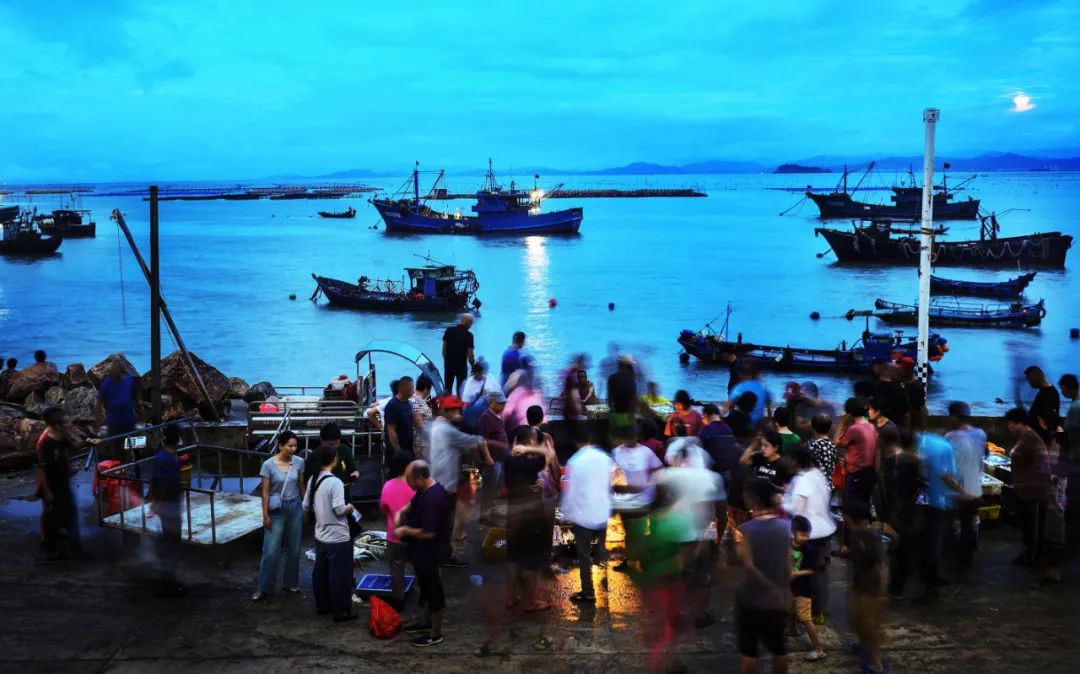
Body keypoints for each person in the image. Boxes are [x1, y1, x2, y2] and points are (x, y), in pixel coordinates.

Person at [727, 477, 791, 674]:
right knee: (779, 649)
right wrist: (784, 590)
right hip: (778, 602)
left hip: (751, 601)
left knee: (749, 653)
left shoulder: (745, 531)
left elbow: (747, 566)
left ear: (754, 499)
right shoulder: (786, 527)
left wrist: (730, 539)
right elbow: (788, 565)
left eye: (747, 495)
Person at [395, 460, 454, 647]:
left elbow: (429, 532)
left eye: (410, 479)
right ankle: (425, 622)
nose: (408, 483)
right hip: (421, 553)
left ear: (420, 478)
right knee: (426, 590)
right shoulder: (425, 491)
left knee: (434, 591)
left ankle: (435, 634)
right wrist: (402, 511)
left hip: (431, 552)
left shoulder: (432, 499)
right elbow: (413, 503)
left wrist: (405, 530)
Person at [428, 395, 489, 567]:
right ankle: (444, 557)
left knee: (443, 523)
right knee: (445, 524)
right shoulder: (445, 430)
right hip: (445, 485)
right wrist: (480, 440)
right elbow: (469, 440)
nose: (461, 412)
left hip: (442, 481)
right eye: (457, 410)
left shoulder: (439, 425)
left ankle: (441, 554)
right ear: (447, 411)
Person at [503, 426, 556, 612]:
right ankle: (530, 602)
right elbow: (548, 454)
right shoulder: (530, 461)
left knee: (513, 557)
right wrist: (530, 449)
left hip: (513, 515)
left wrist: (536, 483)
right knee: (532, 560)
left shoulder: (509, 460)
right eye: (535, 440)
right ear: (529, 443)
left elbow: (522, 481)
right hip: (531, 517)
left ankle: (510, 598)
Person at [561, 425, 615, 603]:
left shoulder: (575, 462)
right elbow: (612, 479)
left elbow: (570, 490)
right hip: (601, 510)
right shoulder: (603, 457)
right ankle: (605, 580)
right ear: (590, 439)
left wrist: (567, 512)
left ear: (575, 442)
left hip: (584, 514)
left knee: (584, 554)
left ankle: (588, 591)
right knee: (601, 549)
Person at [305, 443, 357, 622]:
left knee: (321, 572)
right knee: (339, 575)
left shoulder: (314, 479)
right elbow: (338, 509)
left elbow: (306, 505)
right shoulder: (335, 482)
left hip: (321, 535)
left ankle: (323, 605)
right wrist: (349, 508)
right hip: (338, 537)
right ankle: (341, 611)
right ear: (334, 460)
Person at [784, 446, 836, 625]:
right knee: (820, 571)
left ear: (795, 461)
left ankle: (810, 612)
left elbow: (795, 509)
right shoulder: (817, 474)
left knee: (807, 574)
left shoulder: (802, 480)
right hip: (825, 530)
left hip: (809, 533)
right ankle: (821, 608)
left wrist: (781, 501)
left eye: (789, 458)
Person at [254, 430, 307, 601]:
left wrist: (305, 508)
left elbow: (301, 485)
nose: (293, 449)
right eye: (289, 446)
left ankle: (290, 583)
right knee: (270, 550)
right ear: (281, 445)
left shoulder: (299, 462)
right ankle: (264, 587)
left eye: (295, 445)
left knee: (294, 548)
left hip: (295, 507)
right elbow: (265, 493)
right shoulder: (268, 465)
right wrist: (265, 515)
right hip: (276, 510)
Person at [915, 432, 964, 601]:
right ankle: (929, 583)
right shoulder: (944, 448)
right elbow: (947, 476)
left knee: (931, 541)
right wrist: (965, 493)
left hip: (936, 500)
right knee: (934, 543)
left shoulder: (928, 443)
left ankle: (930, 578)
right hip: (941, 501)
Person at [37, 407, 88, 560]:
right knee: (51, 518)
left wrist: (88, 443)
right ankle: (51, 550)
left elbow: (68, 450)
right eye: (66, 422)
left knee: (70, 514)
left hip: (63, 483)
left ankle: (75, 547)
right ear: (57, 425)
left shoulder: (63, 436)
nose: (69, 424)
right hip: (50, 486)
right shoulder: (45, 443)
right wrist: (48, 494)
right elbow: (41, 472)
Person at [1005, 407, 1052, 569]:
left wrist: (1039, 487)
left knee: (1034, 528)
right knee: (1026, 526)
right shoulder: (1023, 438)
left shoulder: (1033, 439)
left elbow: (1044, 466)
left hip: (1035, 494)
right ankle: (1027, 553)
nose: (1008, 427)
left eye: (1010, 424)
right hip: (1024, 492)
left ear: (1020, 423)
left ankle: (1034, 558)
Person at [845, 500, 889, 674]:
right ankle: (862, 644)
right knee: (857, 621)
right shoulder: (857, 535)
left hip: (870, 592)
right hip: (860, 587)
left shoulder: (869, 537)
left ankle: (876, 665)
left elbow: (881, 566)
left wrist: (880, 592)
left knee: (871, 630)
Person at [612, 427, 663, 572]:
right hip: (624, 501)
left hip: (642, 501)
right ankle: (630, 561)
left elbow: (658, 469)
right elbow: (612, 474)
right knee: (628, 532)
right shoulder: (616, 453)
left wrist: (650, 485)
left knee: (639, 532)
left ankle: (644, 561)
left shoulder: (646, 452)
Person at [944, 402, 987, 571]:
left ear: (954, 417)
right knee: (968, 524)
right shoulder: (981, 434)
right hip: (975, 488)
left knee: (954, 523)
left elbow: (948, 465)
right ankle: (967, 558)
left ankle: (957, 556)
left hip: (958, 489)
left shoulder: (951, 437)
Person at [149, 423, 185, 596]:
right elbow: (163, 484)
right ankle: (168, 582)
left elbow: (154, 481)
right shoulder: (169, 460)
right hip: (169, 506)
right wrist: (158, 502)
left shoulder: (161, 456)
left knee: (169, 541)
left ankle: (167, 577)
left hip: (169, 505)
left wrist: (154, 500)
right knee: (172, 543)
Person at [379, 451, 415, 609]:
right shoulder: (415, 485)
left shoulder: (388, 485)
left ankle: (398, 600)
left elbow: (383, 509)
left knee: (396, 569)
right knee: (418, 567)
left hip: (394, 536)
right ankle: (424, 600)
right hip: (413, 535)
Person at [789, 516, 826, 662]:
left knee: (805, 618)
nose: (805, 537)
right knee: (791, 609)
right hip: (792, 586)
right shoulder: (789, 545)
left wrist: (794, 574)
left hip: (804, 589)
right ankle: (793, 630)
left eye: (807, 534)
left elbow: (811, 570)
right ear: (793, 532)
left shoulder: (809, 549)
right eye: (802, 534)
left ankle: (818, 649)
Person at [836, 397, 878, 516]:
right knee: (864, 506)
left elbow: (836, 442)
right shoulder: (871, 426)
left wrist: (842, 422)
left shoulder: (855, 429)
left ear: (849, 412)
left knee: (851, 508)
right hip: (869, 472)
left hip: (856, 473)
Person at [476, 390, 510, 527]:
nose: (503, 405)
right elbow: (482, 440)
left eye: (504, 402)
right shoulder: (485, 418)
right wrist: (488, 458)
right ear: (491, 402)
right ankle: (485, 516)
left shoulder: (498, 415)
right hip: (493, 460)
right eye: (500, 402)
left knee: (496, 487)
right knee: (489, 488)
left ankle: (493, 511)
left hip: (500, 459)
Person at [97, 359, 140, 460]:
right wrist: (99, 417)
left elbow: (135, 394)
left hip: (129, 419)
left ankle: (133, 461)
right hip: (114, 421)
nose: (117, 375)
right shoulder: (106, 383)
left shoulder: (128, 379)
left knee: (131, 443)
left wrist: (137, 408)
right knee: (115, 444)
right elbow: (99, 402)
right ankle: (117, 464)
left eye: (119, 373)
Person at [305, 422, 357, 487]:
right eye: (330, 444)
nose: (334, 447)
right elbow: (308, 483)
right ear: (321, 441)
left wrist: (354, 475)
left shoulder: (344, 450)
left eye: (337, 443)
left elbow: (355, 470)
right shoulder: (313, 457)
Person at [1025, 365, 1061, 446]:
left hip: (1042, 440)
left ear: (1034, 379)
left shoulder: (1049, 394)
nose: (1029, 384)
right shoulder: (1045, 391)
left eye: (1029, 380)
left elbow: (1050, 421)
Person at [442, 313, 475, 395]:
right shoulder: (469, 335)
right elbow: (470, 356)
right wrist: (473, 367)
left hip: (449, 365)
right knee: (461, 392)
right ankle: (459, 407)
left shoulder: (449, 330)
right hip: (461, 367)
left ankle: (447, 407)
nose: (471, 326)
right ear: (468, 323)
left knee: (447, 389)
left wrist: (446, 362)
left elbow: (443, 350)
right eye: (471, 323)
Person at [606, 355, 638, 441]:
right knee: (627, 444)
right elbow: (632, 402)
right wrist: (632, 420)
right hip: (627, 417)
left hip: (613, 416)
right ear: (628, 366)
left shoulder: (611, 378)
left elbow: (609, 400)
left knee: (615, 444)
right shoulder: (631, 379)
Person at [384, 376, 417, 458]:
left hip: (408, 448)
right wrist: (398, 451)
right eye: (412, 388)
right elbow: (391, 431)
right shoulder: (392, 405)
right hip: (398, 451)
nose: (414, 391)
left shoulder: (408, 403)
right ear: (405, 388)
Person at [805, 414, 838, 480]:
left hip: (815, 485)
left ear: (813, 428)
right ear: (829, 428)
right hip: (828, 484)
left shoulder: (812, 444)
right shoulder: (832, 445)